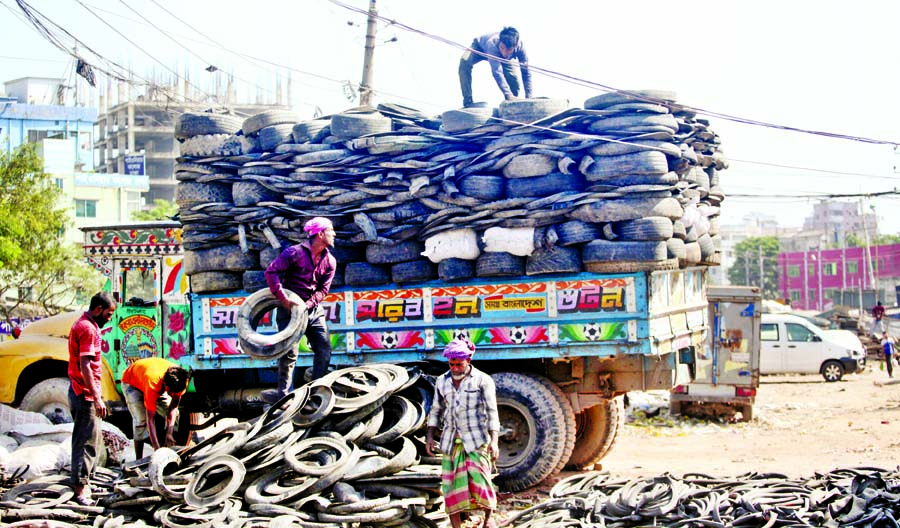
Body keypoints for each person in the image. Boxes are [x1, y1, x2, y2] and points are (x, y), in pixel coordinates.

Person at [426, 338, 500, 528]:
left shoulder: (483, 380)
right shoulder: (442, 381)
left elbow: (492, 412)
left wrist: (494, 441)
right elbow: (436, 410)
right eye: (452, 364)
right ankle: (456, 525)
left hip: (476, 440)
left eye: (459, 364)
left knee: (481, 481)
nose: (455, 368)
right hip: (451, 443)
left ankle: (488, 519)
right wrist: (429, 436)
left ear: (468, 360)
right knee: (451, 488)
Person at [262, 217, 336, 403]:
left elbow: (323, 291)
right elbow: (271, 272)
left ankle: (316, 393)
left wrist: (308, 306)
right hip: (289, 309)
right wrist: (282, 298)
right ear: (320, 234)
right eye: (331, 230)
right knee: (289, 353)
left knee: (324, 349)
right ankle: (284, 397)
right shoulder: (294, 253)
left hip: (312, 310)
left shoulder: (330, 261)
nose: (334, 234)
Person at [68, 291, 116, 506]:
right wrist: (96, 398)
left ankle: (87, 480)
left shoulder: (87, 325)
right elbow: (85, 365)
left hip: (84, 392)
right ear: (98, 310)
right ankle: (80, 489)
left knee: (92, 439)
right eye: (108, 314)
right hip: (85, 394)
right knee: (85, 441)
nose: (110, 318)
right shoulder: (87, 328)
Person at [121, 357, 190, 459]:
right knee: (141, 421)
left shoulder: (182, 380)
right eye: (171, 391)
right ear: (165, 385)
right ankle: (138, 459)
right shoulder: (153, 384)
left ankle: (171, 448)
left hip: (150, 376)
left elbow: (173, 405)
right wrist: (156, 449)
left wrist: (169, 432)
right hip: (131, 382)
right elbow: (151, 419)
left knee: (174, 415)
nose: (172, 394)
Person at [459, 27, 533, 108]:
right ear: (500, 42)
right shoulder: (492, 44)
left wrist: (529, 96)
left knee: (513, 79)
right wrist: (508, 94)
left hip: (504, 59)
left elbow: (526, 72)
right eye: (502, 48)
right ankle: (468, 100)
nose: (504, 52)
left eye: (508, 50)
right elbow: (497, 72)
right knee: (464, 61)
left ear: (515, 46)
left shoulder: (520, 47)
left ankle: (511, 105)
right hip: (480, 48)